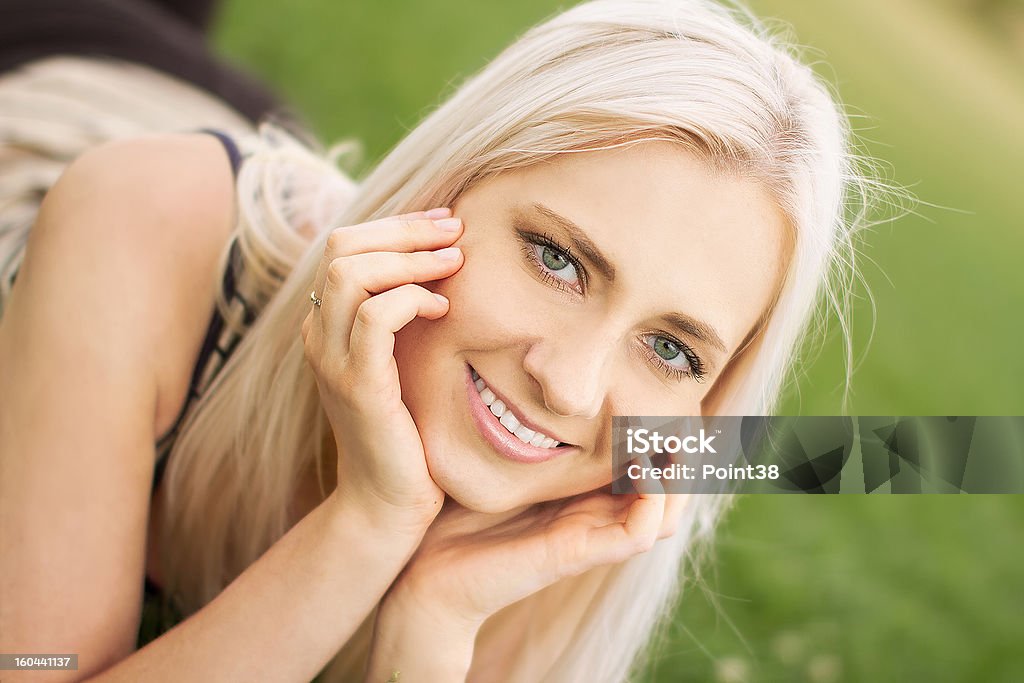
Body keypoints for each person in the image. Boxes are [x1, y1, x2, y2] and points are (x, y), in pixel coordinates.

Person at [0, 0, 879, 680]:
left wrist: (432, 626)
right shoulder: (147, 224)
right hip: (61, 63)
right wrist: (366, 524)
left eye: (673, 350)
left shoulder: (579, 526)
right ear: (446, 184)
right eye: (558, 259)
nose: (570, 387)